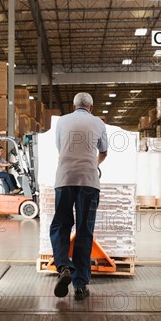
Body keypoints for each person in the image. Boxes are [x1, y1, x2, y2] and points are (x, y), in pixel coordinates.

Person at [50, 92, 108, 301]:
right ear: (91, 107)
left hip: (64, 178)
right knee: (84, 230)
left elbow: (60, 148)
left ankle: (64, 266)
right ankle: (81, 285)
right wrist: (94, 164)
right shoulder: (98, 123)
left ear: (74, 106)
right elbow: (104, 151)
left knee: (61, 225)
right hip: (89, 182)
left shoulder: (62, 121)